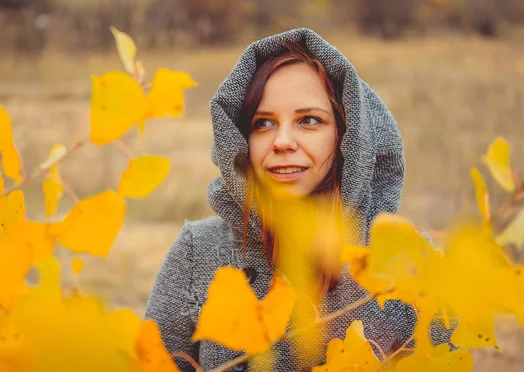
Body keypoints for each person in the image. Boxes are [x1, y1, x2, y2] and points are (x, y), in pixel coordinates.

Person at [143, 28, 453, 371]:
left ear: (349, 136)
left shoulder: (412, 265)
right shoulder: (197, 253)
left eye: (309, 120)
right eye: (263, 123)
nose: (282, 141)